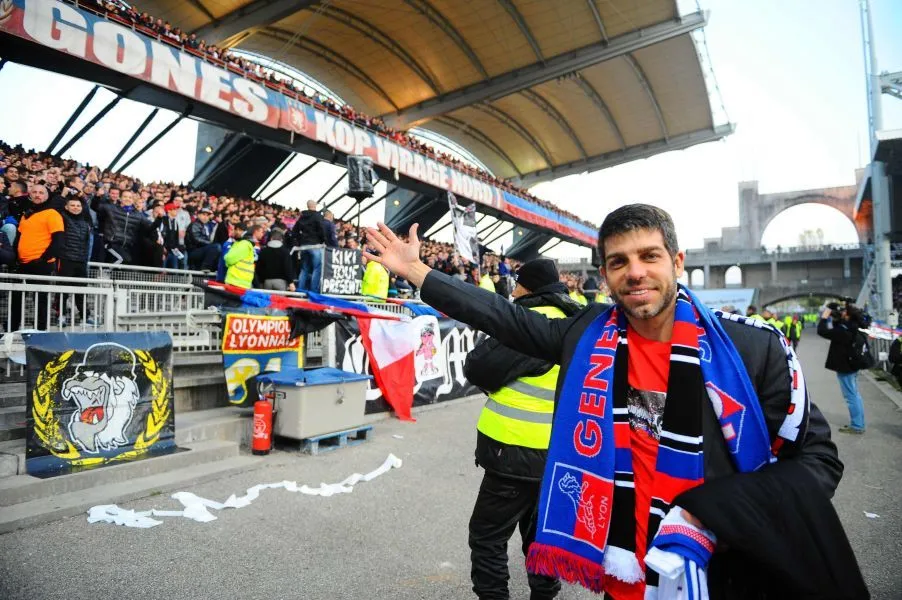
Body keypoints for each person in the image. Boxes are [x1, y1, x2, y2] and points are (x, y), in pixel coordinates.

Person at [363, 205, 863, 599]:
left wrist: (715, 515)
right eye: (619, 262)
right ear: (605, 275)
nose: (635, 273)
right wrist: (420, 273)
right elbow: (504, 317)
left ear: (677, 261)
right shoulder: (586, 335)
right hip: (624, 573)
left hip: (722, 571)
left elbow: (818, 460)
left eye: (649, 256)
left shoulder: (753, 349)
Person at [462, 258, 583, 600]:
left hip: (513, 453)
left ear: (528, 287)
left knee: (487, 537)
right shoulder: (575, 319)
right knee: (540, 538)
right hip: (558, 455)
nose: (512, 290)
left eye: (517, 284)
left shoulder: (528, 322)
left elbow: (478, 366)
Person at [12, 184, 63, 330]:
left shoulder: (52, 213)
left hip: (41, 263)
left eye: (41, 192)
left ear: (46, 196)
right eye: (34, 192)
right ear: (29, 194)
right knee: (17, 298)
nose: (37, 195)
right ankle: (12, 330)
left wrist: (44, 259)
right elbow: (18, 238)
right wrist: (16, 258)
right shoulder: (26, 215)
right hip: (23, 263)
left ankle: (40, 333)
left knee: (41, 300)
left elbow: (58, 239)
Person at [817, 303, 868, 434]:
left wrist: (825, 316)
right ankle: (859, 423)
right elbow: (838, 325)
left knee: (851, 396)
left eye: (844, 311)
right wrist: (836, 316)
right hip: (852, 365)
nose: (842, 313)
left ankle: (857, 426)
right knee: (854, 395)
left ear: (848, 315)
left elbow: (822, 331)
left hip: (846, 367)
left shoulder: (843, 331)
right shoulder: (851, 327)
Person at [58, 196, 92, 323]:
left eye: (78, 206)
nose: (76, 208)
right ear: (66, 207)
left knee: (82, 291)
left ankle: (85, 317)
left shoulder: (85, 223)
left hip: (81, 261)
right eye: (72, 205)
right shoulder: (62, 217)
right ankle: (60, 316)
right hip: (66, 259)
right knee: (62, 290)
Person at [293, 200, 326, 292]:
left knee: (304, 269)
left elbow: (294, 231)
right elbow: (322, 230)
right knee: (317, 268)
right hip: (315, 245)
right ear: (315, 206)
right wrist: (323, 240)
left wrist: (301, 241)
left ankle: (300, 290)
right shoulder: (318, 216)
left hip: (304, 246)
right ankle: (313, 291)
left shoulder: (302, 217)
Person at [224, 224, 263, 289]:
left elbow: (229, 259)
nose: (237, 232)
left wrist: (227, 263)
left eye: (240, 230)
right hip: (243, 282)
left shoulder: (244, 244)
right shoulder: (247, 244)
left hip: (236, 281)